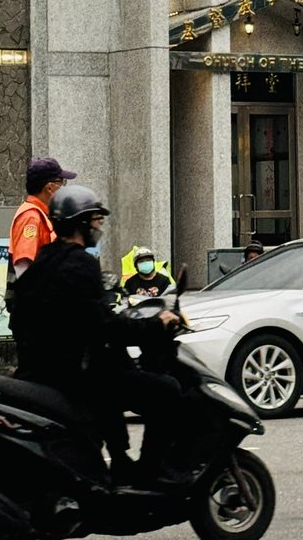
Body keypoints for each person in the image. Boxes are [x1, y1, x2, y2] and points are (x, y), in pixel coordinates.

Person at [10, 184, 186, 486]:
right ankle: (152, 472)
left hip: (41, 368)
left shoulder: (43, 261)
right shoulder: (81, 264)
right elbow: (104, 326)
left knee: (114, 367)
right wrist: (156, 326)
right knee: (165, 390)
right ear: (80, 223)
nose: (98, 227)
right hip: (72, 372)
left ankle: (119, 460)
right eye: (94, 221)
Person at [9, 157, 77, 278]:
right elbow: (23, 267)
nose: (64, 188)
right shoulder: (31, 217)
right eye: (61, 183)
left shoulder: (43, 215)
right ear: (49, 188)